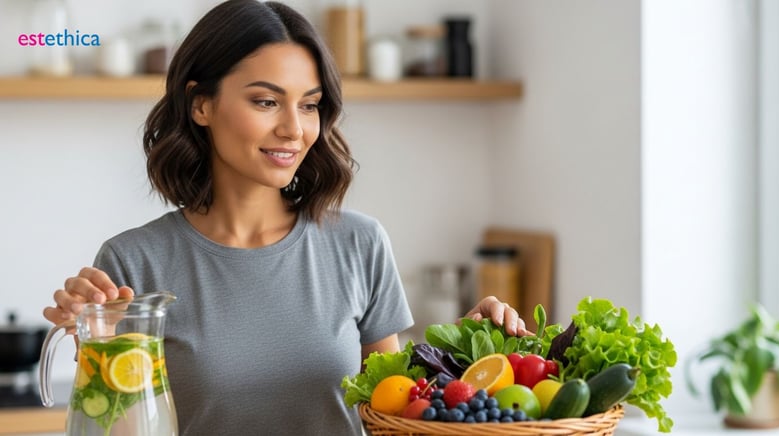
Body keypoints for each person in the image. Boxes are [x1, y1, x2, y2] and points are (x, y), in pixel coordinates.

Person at [42, 1, 529, 434]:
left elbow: (394, 408)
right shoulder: (133, 261)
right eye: (266, 101)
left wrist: (461, 358)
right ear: (201, 104)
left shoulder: (359, 243)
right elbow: (118, 424)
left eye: (310, 105)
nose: (294, 129)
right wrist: (93, 335)